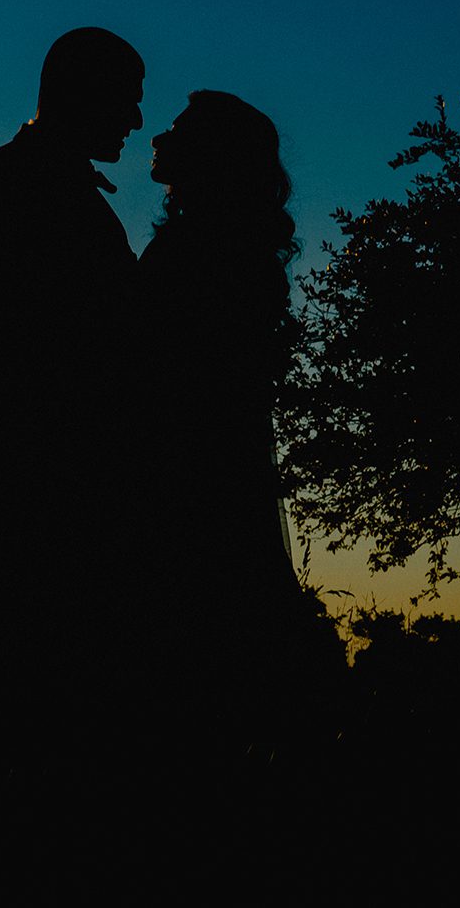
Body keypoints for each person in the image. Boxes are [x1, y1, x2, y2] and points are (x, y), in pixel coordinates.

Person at [0, 27, 145, 771]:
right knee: (14, 662)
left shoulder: (26, 182)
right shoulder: (12, 185)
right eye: (125, 99)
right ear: (78, 91)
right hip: (25, 470)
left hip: (33, 466)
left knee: (40, 671)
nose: (133, 119)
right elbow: (38, 336)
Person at [133, 89, 315, 765]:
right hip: (214, 484)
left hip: (189, 491)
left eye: (179, 128)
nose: (159, 135)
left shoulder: (195, 254)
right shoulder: (224, 250)